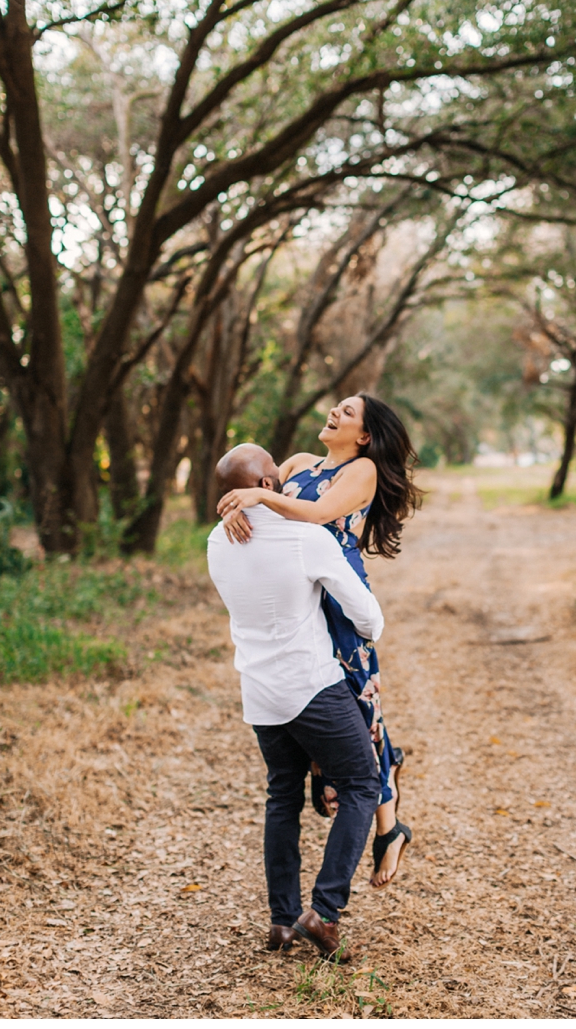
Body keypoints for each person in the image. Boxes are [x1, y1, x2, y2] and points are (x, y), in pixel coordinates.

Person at [216, 392, 419, 888]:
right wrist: (233, 511)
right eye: (338, 406)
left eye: (348, 413)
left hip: (337, 589)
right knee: (324, 707)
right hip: (299, 589)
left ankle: (388, 825)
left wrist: (261, 498)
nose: (335, 412)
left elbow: (315, 514)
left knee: (359, 701)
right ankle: (364, 809)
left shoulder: (362, 471)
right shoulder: (300, 463)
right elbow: (257, 490)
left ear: (365, 436)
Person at [207, 442, 385, 962]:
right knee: (362, 782)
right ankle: (324, 912)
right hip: (310, 685)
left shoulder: (217, 541)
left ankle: (282, 921)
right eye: (276, 473)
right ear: (265, 486)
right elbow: (369, 619)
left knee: (282, 796)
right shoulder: (306, 538)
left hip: (258, 690)